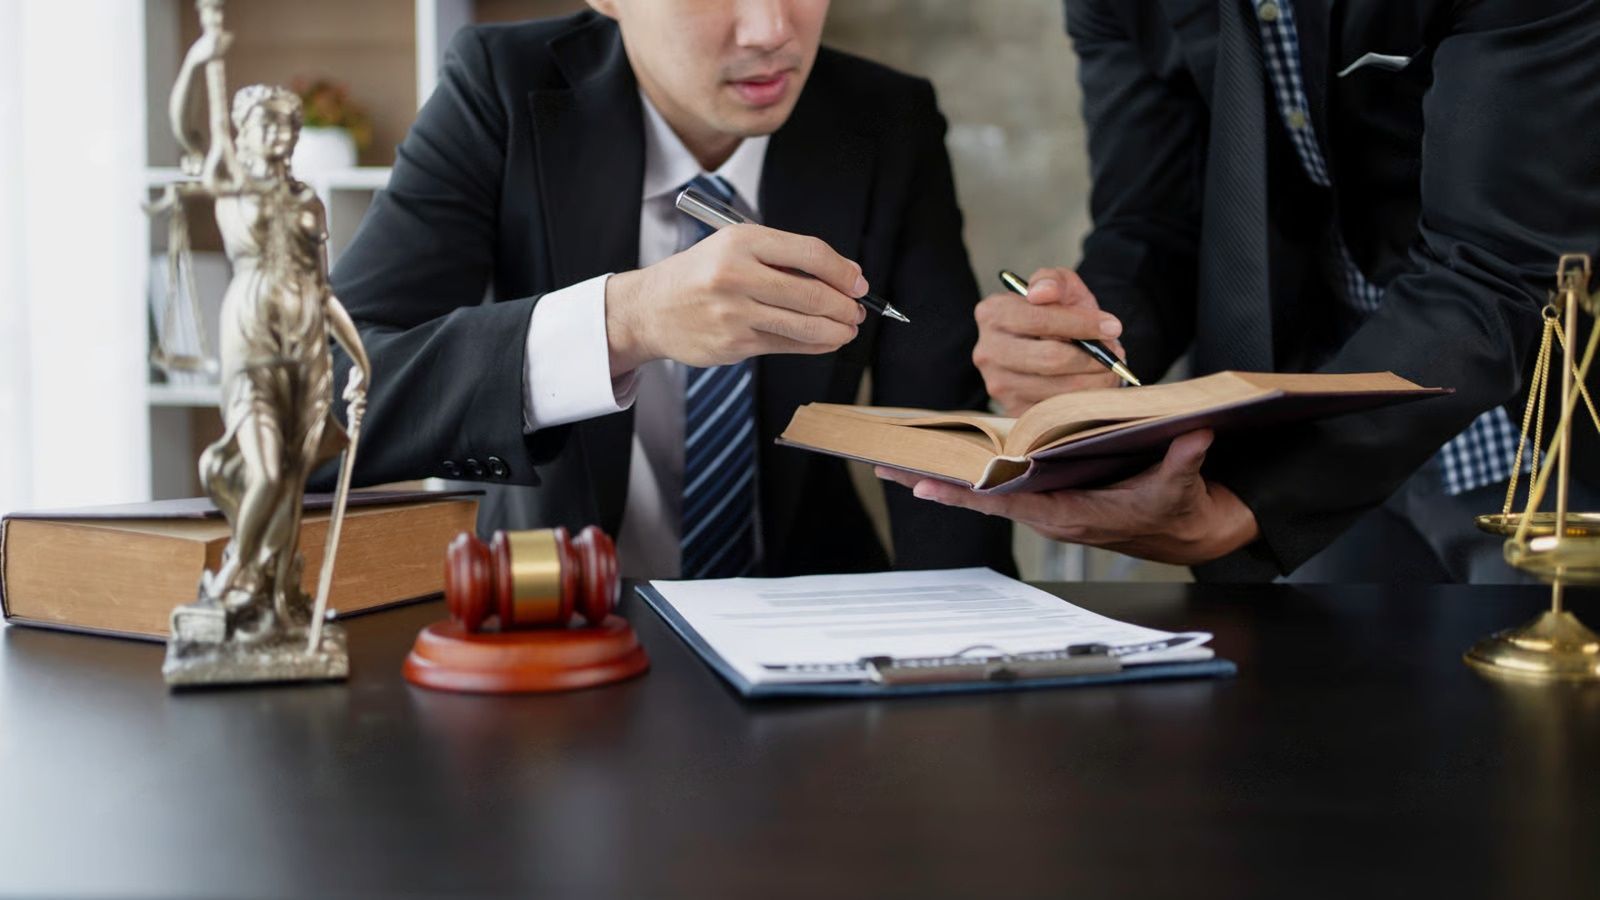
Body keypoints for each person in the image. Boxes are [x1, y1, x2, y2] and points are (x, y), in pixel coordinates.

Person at [881, 0, 1600, 582]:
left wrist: (1256, 496)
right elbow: (1156, 221)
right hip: (1309, 409)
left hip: (1537, 430)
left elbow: (1499, 262)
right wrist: (1086, 337)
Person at [324, 1, 1014, 578]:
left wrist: (982, 660)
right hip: (549, 610)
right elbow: (328, 383)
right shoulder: (501, 84)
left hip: (811, 618)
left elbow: (939, 439)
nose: (771, 28)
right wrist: (622, 323)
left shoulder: (889, 118)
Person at [168, 21, 371, 639]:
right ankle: (233, 573)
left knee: (293, 473)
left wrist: (361, 362)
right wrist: (198, 60)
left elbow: (325, 291)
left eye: (288, 124)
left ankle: (275, 592)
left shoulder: (308, 200)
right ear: (245, 131)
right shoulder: (229, 182)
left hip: (306, 350)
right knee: (263, 470)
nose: (280, 134)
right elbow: (187, 130)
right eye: (266, 124)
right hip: (251, 340)